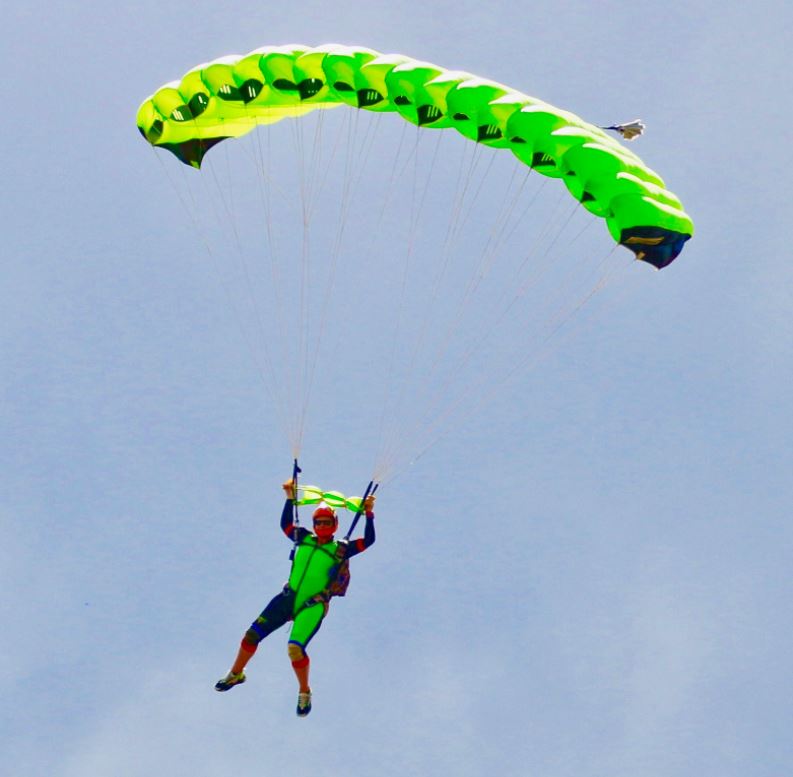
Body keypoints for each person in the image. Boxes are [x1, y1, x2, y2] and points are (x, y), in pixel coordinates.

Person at [214, 477, 376, 717]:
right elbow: (286, 525)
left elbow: (368, 541)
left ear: (334, 524)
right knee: (250, 636)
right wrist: (290, 498)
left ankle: (304, 691)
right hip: (288, 597)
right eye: (318, 522)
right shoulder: (303, 538)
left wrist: (369, 515)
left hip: (314, 604)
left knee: (294, 648)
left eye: (326, 522)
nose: (321, 526)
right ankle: (236, 673)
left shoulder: (341, 549)